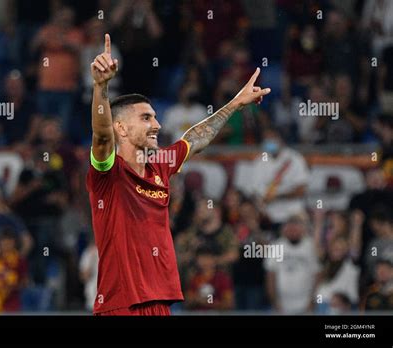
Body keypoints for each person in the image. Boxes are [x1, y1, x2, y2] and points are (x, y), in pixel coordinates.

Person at [86, 34, 270, 316]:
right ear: (121, 129)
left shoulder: (160, 164)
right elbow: (101, 136)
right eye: (146, 118)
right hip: (121, 305)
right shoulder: (108, 172)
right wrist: (101, 87)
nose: (157, 125)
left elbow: (196, 138)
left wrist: (234, 104)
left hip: (160, 303)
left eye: (156, 117)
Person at [249, 127, 310, 225]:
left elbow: (301, 190)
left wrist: (277, 197)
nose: (268, 142)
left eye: (271, 138)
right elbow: (254, 191)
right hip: (267, 216)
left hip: (292, 214)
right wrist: (259, 206)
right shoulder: (259, 161)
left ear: (280, 139)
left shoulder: (295, 159)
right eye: (266, 139)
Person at [264, 216, 320, 314]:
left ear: (302, 230)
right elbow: (270, 275)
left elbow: (317, 274)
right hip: (282, 303)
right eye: (290, 229)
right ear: (284, 230)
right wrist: (274, 301)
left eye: (295, 229)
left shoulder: (310, 246)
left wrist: (313, 300)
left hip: (306, 302)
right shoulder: (277, 246)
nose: (293, 231)